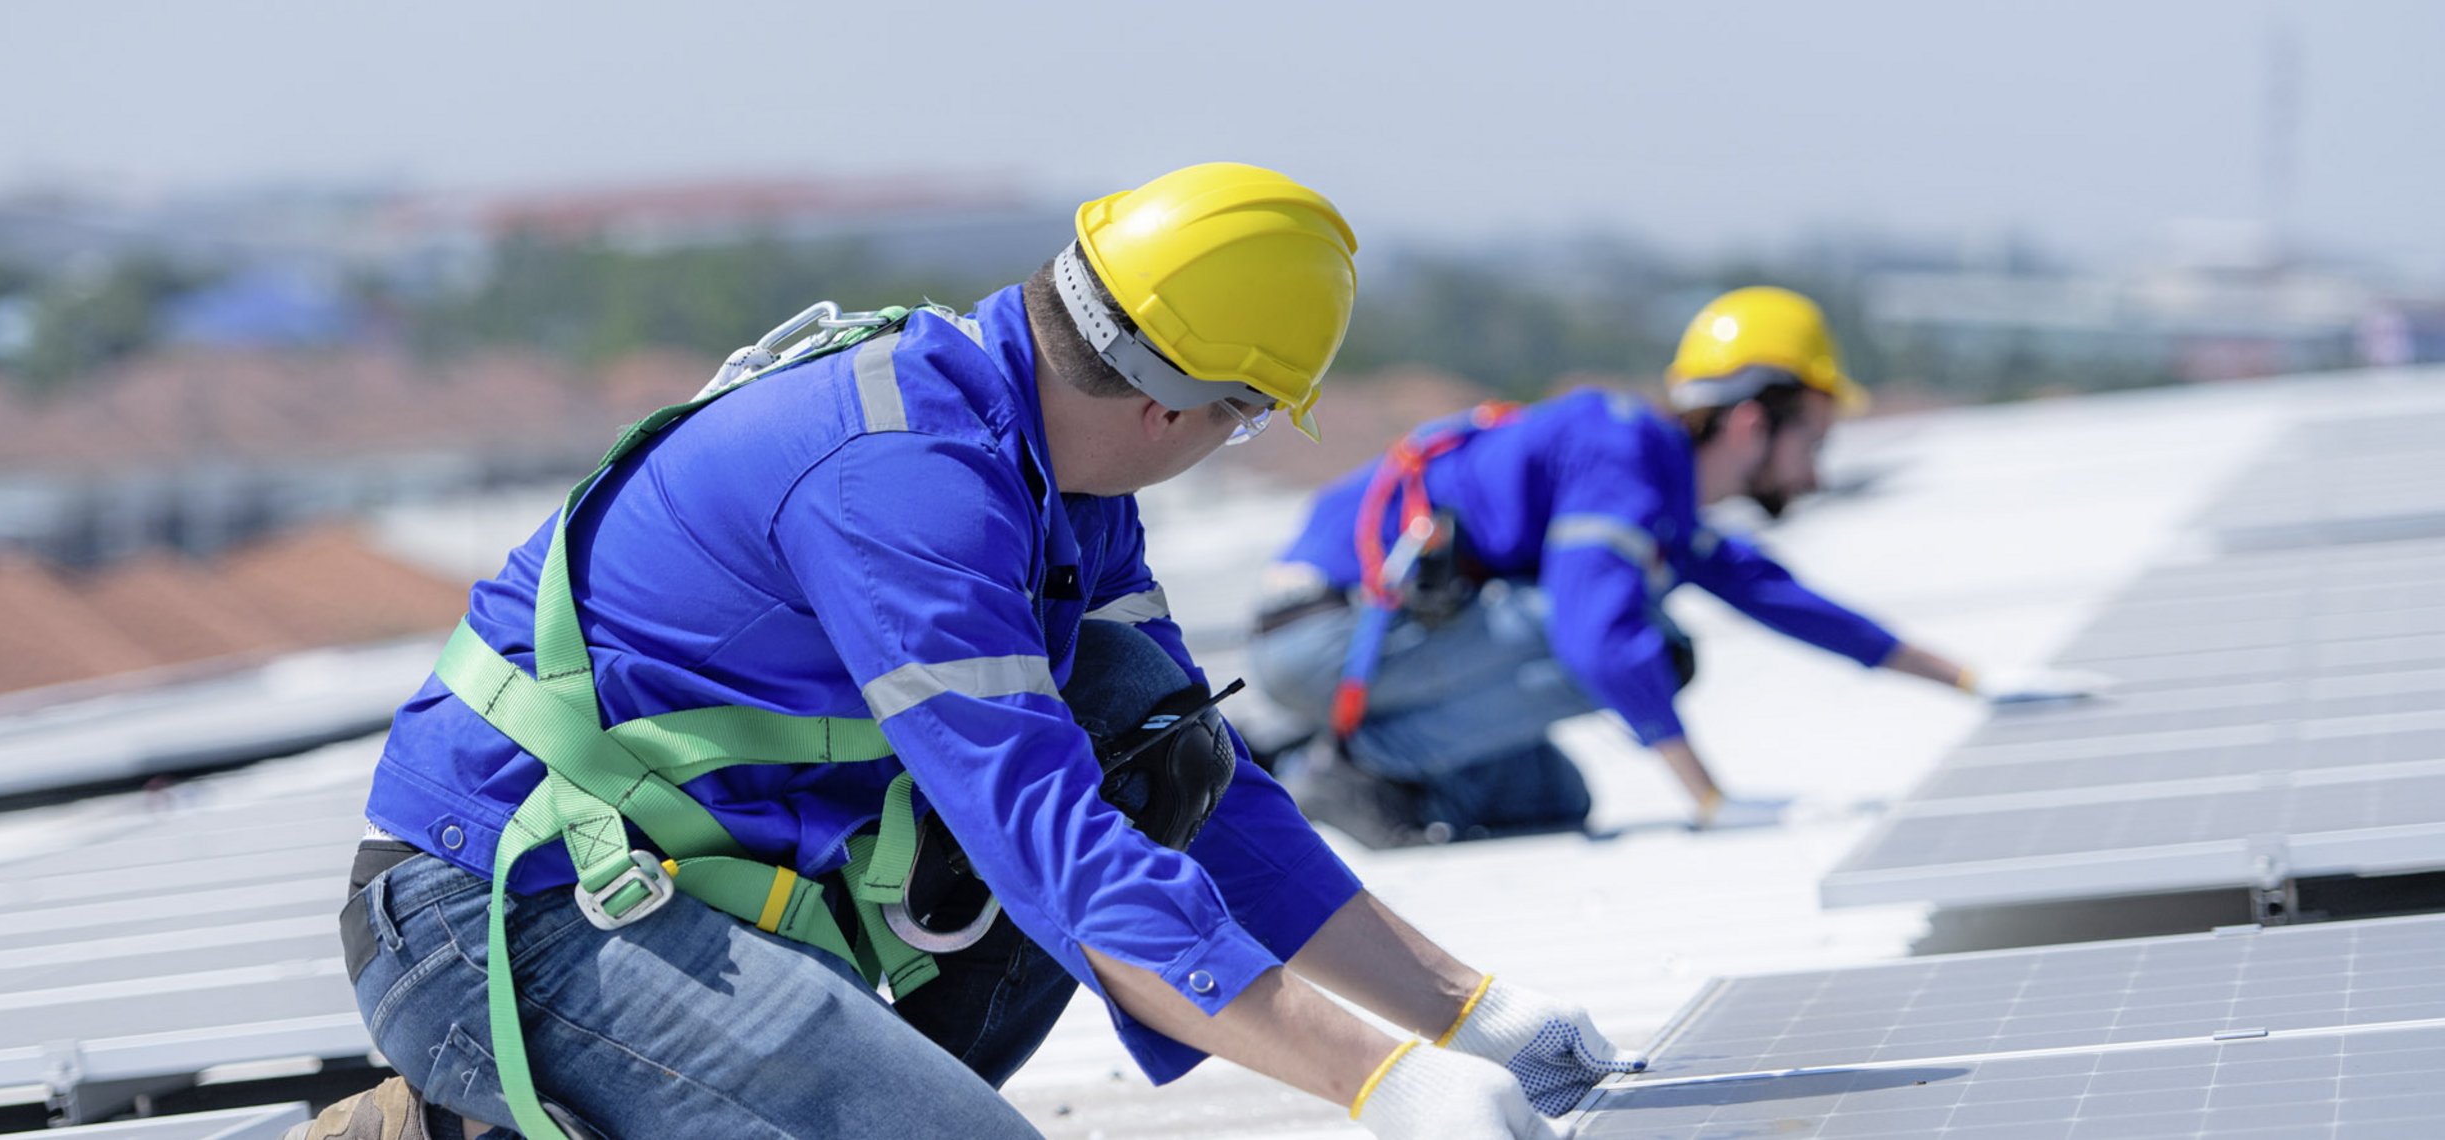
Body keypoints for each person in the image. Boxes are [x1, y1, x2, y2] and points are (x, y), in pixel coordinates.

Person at [291, 163, 1642, 1140]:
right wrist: (1374, 1081)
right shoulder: (907, 486)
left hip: (681, 906)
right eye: (1243, 420)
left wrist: (1467, 1015)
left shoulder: (1055, 482)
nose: (1231, 443)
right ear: (1186, 409)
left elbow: (1191, 790)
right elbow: (1046, 840)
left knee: (1137, 726)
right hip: (500, 918)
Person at [1248, 286, 2105, 845]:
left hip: (1372, 642)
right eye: (1814, 435)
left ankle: (1331, 765)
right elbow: (1594, 638)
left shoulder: (1659, 490)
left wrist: (1971, 680)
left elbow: (1781, 599)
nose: (1817, 468)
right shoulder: (1621, 452)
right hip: (1324, 637)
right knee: (1645, 643)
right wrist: (1709, 799)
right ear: (1750, 423)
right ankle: (1343, 767)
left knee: (1550, 804)